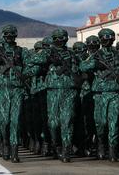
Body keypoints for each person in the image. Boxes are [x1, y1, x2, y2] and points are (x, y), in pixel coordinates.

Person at [31, 29, 81, 163]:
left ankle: (66, 149)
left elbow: (82, 68)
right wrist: (48, 55)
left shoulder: (72, 54)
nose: (60, 40)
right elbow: (34, 58)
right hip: (53, 90)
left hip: (70, 90)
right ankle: (56, 144)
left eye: (62, 38)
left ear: (66, 39)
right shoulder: (48, 52)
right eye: (57, 38)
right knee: (53, 123)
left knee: (67, 120)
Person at [80, 28, 119, 162]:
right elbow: (82, 66)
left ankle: (112, 150)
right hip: (99, 94)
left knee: (114, 122)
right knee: (101, 123)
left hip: (115, 93)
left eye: (109, 39)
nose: (107, 41)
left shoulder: (118, 54)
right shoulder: (95, 55)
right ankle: (100, 143)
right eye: (104, 39)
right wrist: (95, 63)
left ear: (112, 40)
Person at [0, 25, 28, 163]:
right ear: (3, 36)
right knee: (4, 121)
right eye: (7, 35)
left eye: (12, 35)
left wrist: (23, 73)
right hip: (2, 89)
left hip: (17, 89)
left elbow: (31, 66)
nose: (9, 38)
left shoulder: (21, 51)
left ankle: (14, 150)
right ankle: (4, 145)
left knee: (15, 122)